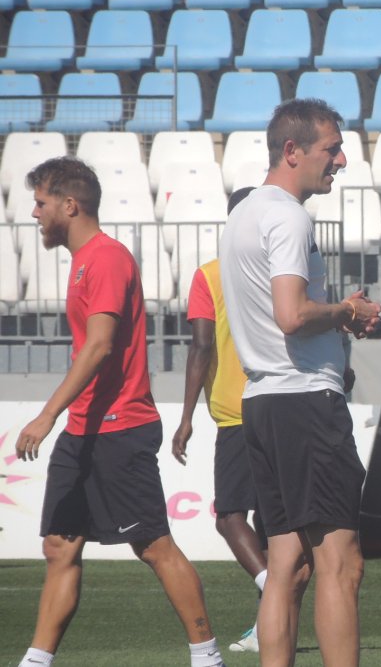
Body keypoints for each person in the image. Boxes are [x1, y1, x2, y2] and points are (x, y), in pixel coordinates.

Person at [13, 157, 225, 667]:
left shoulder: (105, 259)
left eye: (40, 202)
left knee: (153, 546)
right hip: (84, 429)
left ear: (70, 204)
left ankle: (207, 656)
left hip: (119, 428)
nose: (34, 213)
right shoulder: (85, 260)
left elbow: (101, 345)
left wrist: (46, 415)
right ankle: (36, 661)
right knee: (60, 547)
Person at [218, 98, 381, 667]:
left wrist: (338, 314)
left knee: (287, 564)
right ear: (292, 151)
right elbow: (291, 314)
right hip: (304, 401)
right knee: (341, 561)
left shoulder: (241, 214)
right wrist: (344, 311)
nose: (340, 161)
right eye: (331, 149)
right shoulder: (288, 215)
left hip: (262, 402)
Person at [171, 185, 266, 654]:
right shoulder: (279, 272)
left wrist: (186, 416)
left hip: (236, 412)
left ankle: (272, 591)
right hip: (284, 405)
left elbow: (202, 345)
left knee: (230, 517)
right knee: (277, 524)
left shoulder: (210, 275)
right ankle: (266, 625)